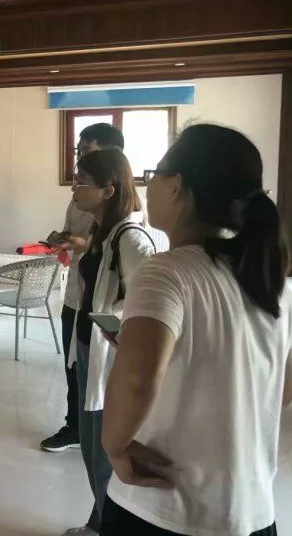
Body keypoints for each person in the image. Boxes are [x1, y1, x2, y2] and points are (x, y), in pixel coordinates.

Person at [101, 125, 291, 536]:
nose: (148, 186)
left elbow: (137, 380)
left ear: (176, 185)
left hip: (164, 508)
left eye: (152, 175)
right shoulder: (273, 281)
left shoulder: (166, 272)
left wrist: (114, 446)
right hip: (253, 511)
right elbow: (282, 383)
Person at [62, 148, 156, 536]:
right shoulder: (102, 231)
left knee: (102, 450)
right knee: (91, 445)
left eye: (82, 182)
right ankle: (98, 520)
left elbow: (148, 302)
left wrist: (113, 321)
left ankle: (106, 525)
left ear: (108, 190)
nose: (74, 188)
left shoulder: (131, 238)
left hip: (112, 355)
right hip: (89, 344)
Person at [42, 123, 125, 454]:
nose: (79, 160)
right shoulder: (78, 199)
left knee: (101, 372)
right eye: (78, 152)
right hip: (76, 297)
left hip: (104, 307)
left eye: (87, 151)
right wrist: (64, 242)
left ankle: (106, 434)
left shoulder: (127, 213)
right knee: (74, 366)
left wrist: (83, 244)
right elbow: (73, 235)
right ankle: (76, 427)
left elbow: (113, 252)